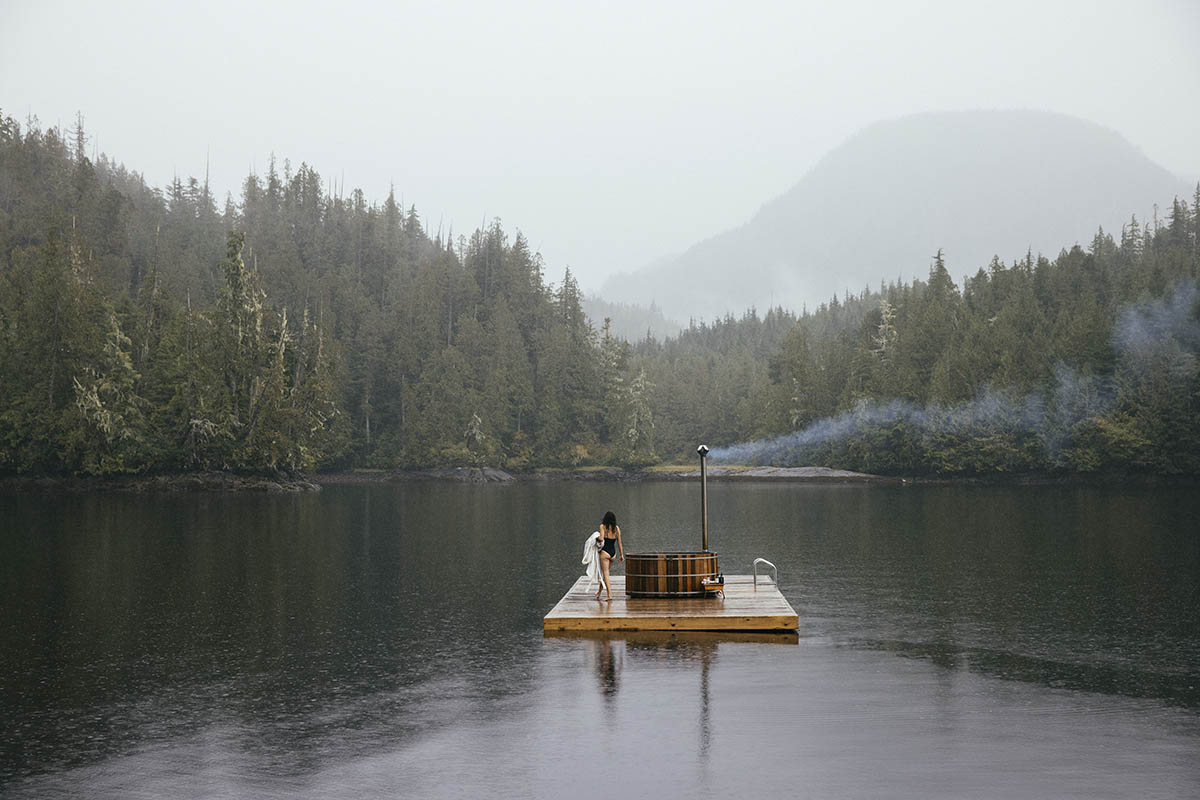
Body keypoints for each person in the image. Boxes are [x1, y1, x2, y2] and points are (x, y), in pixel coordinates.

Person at [595, 510, 624, 601]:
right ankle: (599, 592)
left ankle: (610, 595)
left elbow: (601, 538)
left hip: (605, 553)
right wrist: (621, 555)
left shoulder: (603, 527)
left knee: (606, 574)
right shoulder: (617, 528)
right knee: (605, 573)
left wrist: (596, 538)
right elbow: (619, 543)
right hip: (613, 554)